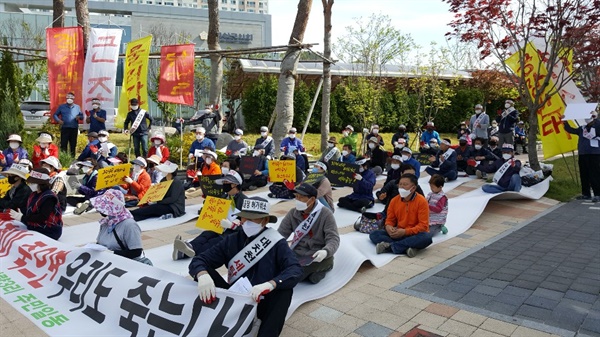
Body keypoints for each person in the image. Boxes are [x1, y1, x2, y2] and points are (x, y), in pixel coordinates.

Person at [190, 196, 302, 337]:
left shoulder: (276, 242)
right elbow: (200, 260)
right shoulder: (231, 240)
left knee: (284, 291)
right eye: (244, 218)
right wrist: (202, 274)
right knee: (205, 274)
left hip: (261, 299)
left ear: (265, 220)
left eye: (253, 219)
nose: (247, 222)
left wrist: (271, 284)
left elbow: (295, 269)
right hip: (235, 298)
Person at [173, 171, 248, 260]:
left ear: (235, 184)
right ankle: (189, 246)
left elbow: (248, 225)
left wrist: (232, 226)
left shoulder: (245, 201)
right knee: (207, 234)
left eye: (227, 183)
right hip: (220, 227)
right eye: (223, 182)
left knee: (216, 241)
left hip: (233, 233)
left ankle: (185, 253)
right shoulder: (224, 196)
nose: (224, 185)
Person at [277, 183, 340, 284]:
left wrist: (326, 251)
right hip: (298, 253)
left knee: (295, 273)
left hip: (317, 255)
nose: (297, 200)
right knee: (279, 267)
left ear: (312, 200)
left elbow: (333, 238)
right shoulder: (293, 213)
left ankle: (324, 267)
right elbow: (281, 234)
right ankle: (312, 275)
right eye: (296, 197)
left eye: (301, 197)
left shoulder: (325, 214)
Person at [369, 173, 432, 257]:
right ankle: (407, 247)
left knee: (426, 237)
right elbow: (390, 219)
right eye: (400, 184)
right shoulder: (394, 200)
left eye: (405, 185)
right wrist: (388, 227)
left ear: (413, 188)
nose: (401, 187)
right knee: (374, 234)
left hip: (414, 234)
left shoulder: (422, 201)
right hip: (398, 232)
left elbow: (423, 226)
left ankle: (390, 247)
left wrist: (405, 232)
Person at [9, 168, 63, 240]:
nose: (30, 184)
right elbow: (31, 211)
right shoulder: (34, 194)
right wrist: (20, 212)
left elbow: (42, 216)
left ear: (40, 184)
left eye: (33, 183)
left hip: (50, 230)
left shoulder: (49, 197)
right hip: (35, 225)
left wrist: (22, 218)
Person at [90, 189, 144, 260]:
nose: (99, 210)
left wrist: (112, 254)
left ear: (113, 208)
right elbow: (100, 243)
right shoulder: (106, 222)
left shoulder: (129, 225)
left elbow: (136, 252)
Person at [563, 111, 600, 201]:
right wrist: (565, 122)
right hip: (583, 153)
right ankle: (586, 194)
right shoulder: (582, 128)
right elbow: (571, 130)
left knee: (594, 174)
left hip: (594, 153)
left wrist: (595, 117)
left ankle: (597, 194)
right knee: (584, 174)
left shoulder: (598, 126)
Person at [53, 92, 84, 156]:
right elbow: (55, 115)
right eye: (68, 97)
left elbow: (82, 116)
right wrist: (58, 120)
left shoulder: (77, 107)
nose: (69, 98)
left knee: (73, 144)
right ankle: (64, 158)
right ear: (66, 98)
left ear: (73, 98)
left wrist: (79, 117)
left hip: (74, 128)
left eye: (71, 97)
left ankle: (72, 158)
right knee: (63, 144)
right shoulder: (62, 107)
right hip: (65, 127)